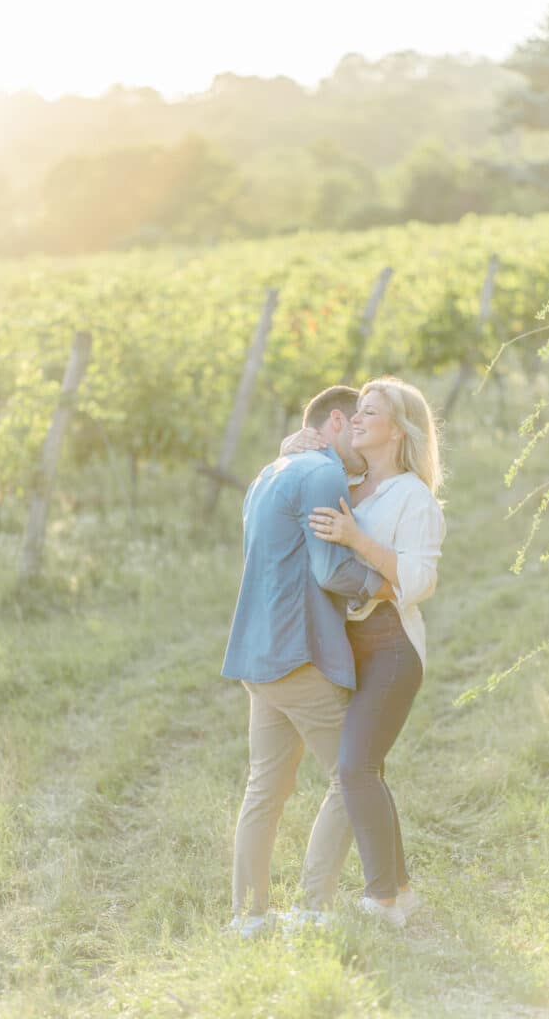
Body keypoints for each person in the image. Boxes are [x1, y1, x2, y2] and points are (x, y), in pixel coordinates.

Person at [221, 385, 394, 937]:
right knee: (355, 776)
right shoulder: (320, 473)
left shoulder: (268, 473)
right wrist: (388, 583)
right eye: (358, 425)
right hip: (300, 655)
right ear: (336, 422)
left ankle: (248, 918)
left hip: (256, 655)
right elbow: (330, 571)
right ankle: (315, 908)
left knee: (264, 790)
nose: (363, 443)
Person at [303, 375, 446, 929]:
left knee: (355, 767)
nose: (355, 420)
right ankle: (401, 893)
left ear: (398, 430)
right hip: (349, 648)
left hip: (390, 649)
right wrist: (296, 444)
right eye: (355, 412)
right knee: (368, 771)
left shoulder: (414, 496)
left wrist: (355, 539)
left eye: (369, 413)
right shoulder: (349, 479)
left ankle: (382, 900)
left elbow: (418, 578)